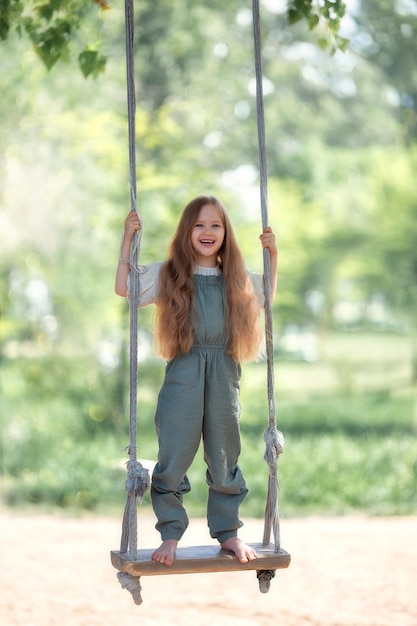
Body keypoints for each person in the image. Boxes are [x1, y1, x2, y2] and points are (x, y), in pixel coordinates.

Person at [115, 195, 278, 567]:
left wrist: (274, 256)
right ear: (188, 231)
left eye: (215, 225)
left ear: (226, 233)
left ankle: (228, 534)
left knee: (224, 453)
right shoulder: (170, 274)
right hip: (184, 374)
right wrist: (127, 237)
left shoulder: (235, 278)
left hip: (224, 373)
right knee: (174, 453)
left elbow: (265, 298)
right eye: (199, 225)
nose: (207, 232)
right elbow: (125, 288)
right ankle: (170, 533)